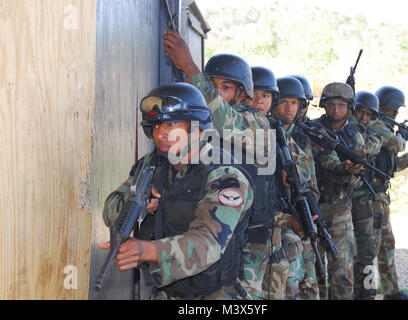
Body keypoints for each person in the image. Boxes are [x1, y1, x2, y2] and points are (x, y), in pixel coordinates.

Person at [100, 83, 254, 300]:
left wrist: (146, 250)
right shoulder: (153, 165)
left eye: (171, 124)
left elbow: (207, 244)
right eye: (155, 127)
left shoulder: (225, 176)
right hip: (164, 292)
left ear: (196, 126)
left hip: (215, 295)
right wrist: (135, 206)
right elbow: (109, 208)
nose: (161, 134)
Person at [163, 31, 277, 300]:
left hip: (249, 242)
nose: (215, 94)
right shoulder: (200, 130)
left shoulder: (257, 124)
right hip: (207, 233)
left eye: (224, 88)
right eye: (212, 86)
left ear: (243, 95)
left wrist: (190, 68)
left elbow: (227, 123)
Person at [262, 76, 319, 300]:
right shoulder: (264, 128)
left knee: (304, 277)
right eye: (284, 102)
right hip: (273, 215)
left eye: (294, 103)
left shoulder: (302, 136)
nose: (289, 108)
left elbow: (310, 178)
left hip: (296, 213)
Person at [310, 82, 366, 300]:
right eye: (331, 104)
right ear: (324, 105)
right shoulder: (311, 130)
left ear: (349, 107)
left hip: (340, 210)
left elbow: (358, 180)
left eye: (341, 105)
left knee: (342, 271)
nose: (335, 110)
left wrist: (350, 171)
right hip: (312, 209)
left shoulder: (355, 137)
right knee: (314, 272)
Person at [367, 86, 408, 300]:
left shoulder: (386, 128)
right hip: (371, 196)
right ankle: (364, 292)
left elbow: (392, 166)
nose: (396, 114)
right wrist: (404, 136)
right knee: (370, 248)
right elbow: (396, 144)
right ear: (388, 108)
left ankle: (392, 291)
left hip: (381, 196)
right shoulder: (376, 125)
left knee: (387, 244)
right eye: (395, 109)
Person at [349, 91, 383, 300]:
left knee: (367, 251)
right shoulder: (339, 129)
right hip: (336, 198)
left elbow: (369, 147)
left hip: (361, 197)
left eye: (368, 114)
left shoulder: (371, 134)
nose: (363, 117)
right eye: (359, 112)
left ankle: (367, 294)